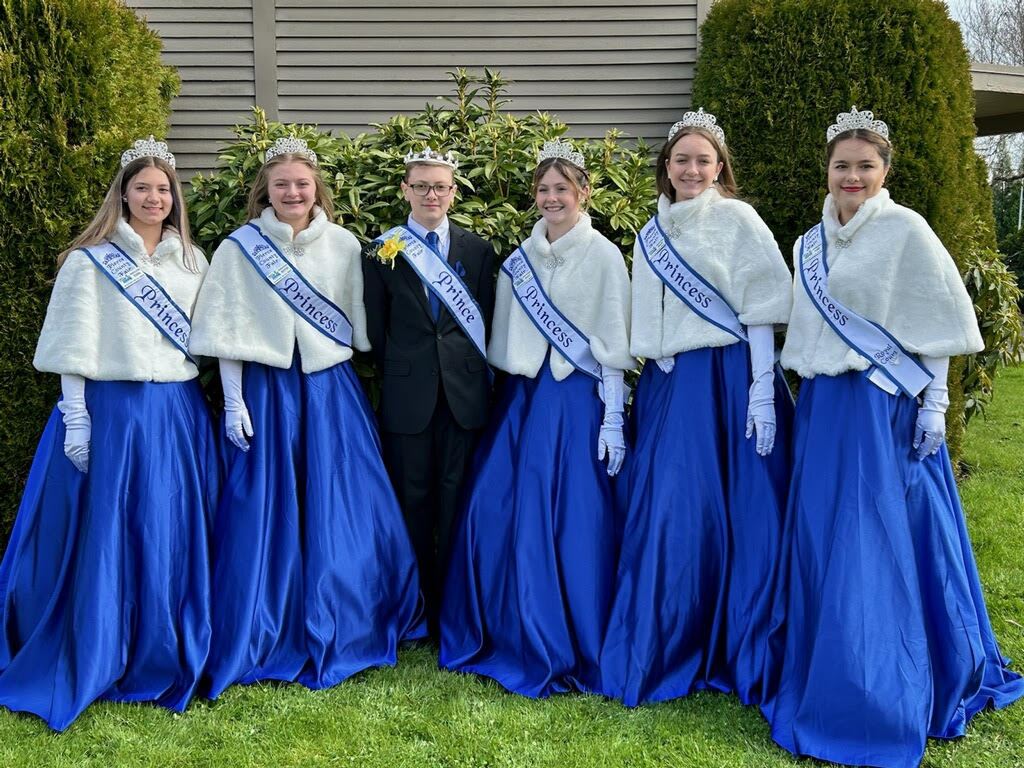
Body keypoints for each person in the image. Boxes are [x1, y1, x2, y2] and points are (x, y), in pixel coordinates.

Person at [761, 107, 1024, 768]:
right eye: (842, 165)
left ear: (885, 171)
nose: (853, 176)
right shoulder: (808, 243)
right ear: (827, 170)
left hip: (883, 411)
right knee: (827, 534)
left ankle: (890, 678)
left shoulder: (907, 230)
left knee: (883, 533)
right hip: (826, 407)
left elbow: (937, 319)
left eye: (865, 166)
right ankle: (829, 663)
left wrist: (936, 401)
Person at [190, 137, 424, 698]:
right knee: (267, 507)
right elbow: (224, 330)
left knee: (340, 502)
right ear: (264, 192)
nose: (293, 193)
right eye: (281, 185)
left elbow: (365, 316)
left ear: (317, 188)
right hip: (268, 391)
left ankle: (349, 616)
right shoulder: (238, 248)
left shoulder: (345, 244)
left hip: (327, 389)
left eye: (302, 183)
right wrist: (233, 398)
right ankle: (267, 619)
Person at [0, 138, 218, 730]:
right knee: (107, 532)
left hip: (176, 413)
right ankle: (100, 647)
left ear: (176, 197)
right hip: (111, 413)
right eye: (143, 187)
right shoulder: (88, 259)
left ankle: (162, 645)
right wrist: (76, 417)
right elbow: (73, 345)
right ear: (122, 193)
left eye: (164, 188)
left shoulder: (192, 261)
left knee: (165, 531)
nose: (155, 197)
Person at [598, 109, 794, 707]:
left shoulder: (738, 219)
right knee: (668, 509)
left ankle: (737, 642)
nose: (690, 168)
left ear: (719, 167)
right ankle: (667, 638)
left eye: (702, 160)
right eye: (681, 159)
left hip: (724, 378)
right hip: (666, 384)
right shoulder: (648, 229)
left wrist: (762, 387)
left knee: (732, 507)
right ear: (667, 165)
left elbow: (761, 304)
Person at [440, 140, 633, 696]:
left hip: (575, 401)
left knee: (569, 515)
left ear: (583, 193)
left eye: (562, 189)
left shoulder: (602, 256)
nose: (552, 198)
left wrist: (613, 418)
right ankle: (511, 626)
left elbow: (613, 342)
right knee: (499, 509)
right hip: (522, 398)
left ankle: (567, 632)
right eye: (544, 190)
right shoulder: (517, 261)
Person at [362, 147, 496, 635]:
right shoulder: (380, 251)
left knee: (458, 502)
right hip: (408, 397)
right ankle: (417, 609)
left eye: (440, 186)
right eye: (420, 186)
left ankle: (455, 609)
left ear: (454, 192)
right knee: (412, 504)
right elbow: (377, 330)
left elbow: (485, 323)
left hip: (463, 397)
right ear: (405, 190)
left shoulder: (478, 251)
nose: (431, 194)